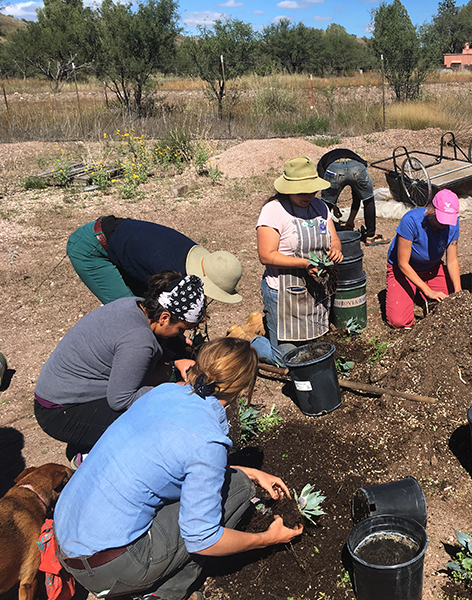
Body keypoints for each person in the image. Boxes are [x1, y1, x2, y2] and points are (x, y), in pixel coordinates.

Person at [54, 337, 303, 600]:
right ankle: (162, 595)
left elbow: (168, 461)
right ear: (241, 389)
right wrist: (267, 538)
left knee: (236, 479)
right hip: (110, 567)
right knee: (238, 487)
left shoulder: (163, 392)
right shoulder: (208, 439)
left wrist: (250, 470)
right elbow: (204, 539)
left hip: (66, 539)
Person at [34, 272, 206, 462]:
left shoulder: (135, 305)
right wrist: (173, 391)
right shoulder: (139, 340)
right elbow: (122, 399)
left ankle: (89, 436)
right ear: (165, 317)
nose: (181, 335)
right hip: (59, 413)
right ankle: (88, 457)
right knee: (153, 416)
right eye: (181, 329)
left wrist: (175, 361)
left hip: (55, 394)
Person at [252, 156, 343, 366]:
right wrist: (304, 264)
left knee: (312, 351)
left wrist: (336, 250)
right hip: (282, 291)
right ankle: (254, 343)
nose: (308, 196)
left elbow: (334, 239)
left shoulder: (320, 207)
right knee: (286, 360)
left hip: (313, 287)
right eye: (302, 192)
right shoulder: (273, 211)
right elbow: (266, 255)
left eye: (311, 190)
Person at [67, 215, 242, 305]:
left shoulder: (190, 259)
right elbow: (159, 312)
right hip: (92, 248)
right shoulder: (171, 270)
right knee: (132, 315)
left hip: (117, 239)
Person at [385, 189, 461, 329]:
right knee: (399, 321)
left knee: (449, 310)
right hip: (404, 270)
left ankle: (419, 292)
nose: (443, 224)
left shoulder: (453, 225)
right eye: (440, 218)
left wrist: (458, 292)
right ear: (432, 208)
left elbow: (452, 260)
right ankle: (419, 291)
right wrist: (428, 290)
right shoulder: (411, 220)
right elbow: (402, 263)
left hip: (432, 268)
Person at [316, 148, 390, 246]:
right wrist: (350, 220)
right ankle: (371, 236)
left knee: (326, 204)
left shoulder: (322, 163)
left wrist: (333, 206)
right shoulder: (356, 158)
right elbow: (357, 196)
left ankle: (321, 236)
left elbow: (326, 189)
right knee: (368, 200)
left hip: (334, 169)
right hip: (357, 168)